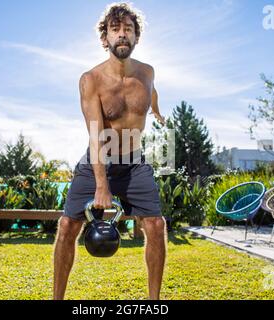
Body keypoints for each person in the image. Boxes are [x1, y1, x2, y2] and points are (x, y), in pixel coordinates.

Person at [53, 2, 167, 300]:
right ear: (105, 37)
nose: (122, 35)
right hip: (97, 161)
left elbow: (152, 91)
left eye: (128, 29)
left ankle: (154, 302)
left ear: (136, 36)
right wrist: (101, 186)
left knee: (155, 225)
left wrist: (156, 110)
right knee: (67, 226)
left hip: (134, 162)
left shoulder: (147, 72)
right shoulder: (91, 80)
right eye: (115, 30)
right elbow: (96, 135)